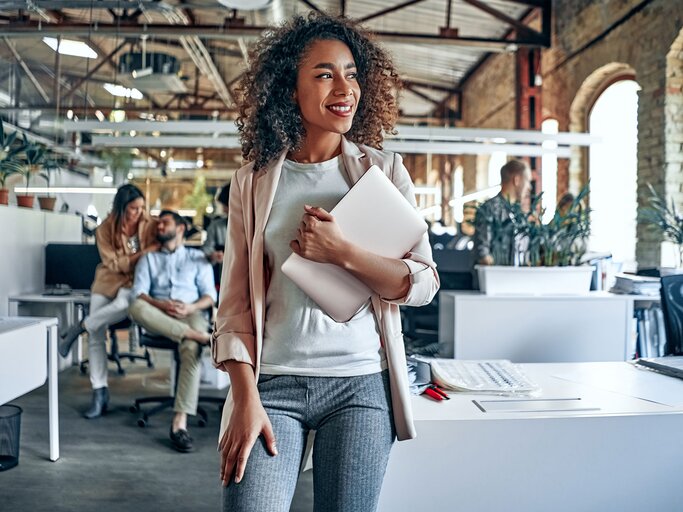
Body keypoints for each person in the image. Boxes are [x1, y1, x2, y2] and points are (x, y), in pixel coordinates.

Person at [211, 13, 439, 512]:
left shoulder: (383, 170)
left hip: (360, 385)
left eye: (352, 73)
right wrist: (244, 397)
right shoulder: (253, 182)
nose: (345, 87)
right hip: (274, 382)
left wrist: (343, 253)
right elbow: (233, 309)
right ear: (289, 89)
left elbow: (422, 283)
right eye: (324, 74)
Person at [58, 184, 159, 419]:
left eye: (142, 207)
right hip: (107, 281)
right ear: (122, 208)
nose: (139, 212)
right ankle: (99, 392)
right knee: (97, 335)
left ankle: (80, 327)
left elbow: (160, 246)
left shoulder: (149, 224)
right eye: (134, 208)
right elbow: (113, 265)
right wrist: (143, 253)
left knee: (125, 304)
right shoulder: (104, 229)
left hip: (134, 284)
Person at [127, 210, 217, 452]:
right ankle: (201, 338)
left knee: (190, 350)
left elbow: (210, 296)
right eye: (157, 223)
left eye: (164, 223)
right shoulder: (149, 259)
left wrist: (191, 306)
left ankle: (180, 423)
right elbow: (139, 293)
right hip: (159, 315)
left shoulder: (197, 258)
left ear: (180, 228)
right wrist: (161, 305)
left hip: (192, 313)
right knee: (135, 306)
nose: (158, 227)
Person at [472, 159, 532, 266]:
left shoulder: (518, 214)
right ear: (517, 180)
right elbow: (483, 254)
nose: (529, 187)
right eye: (527, 180)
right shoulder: (489, 209)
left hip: (516, 279)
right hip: (494, 280)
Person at [201, 183, 230, 288]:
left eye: (225, 206)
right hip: (221, 277)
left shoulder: (252, 226)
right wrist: (213, 255)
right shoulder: (216, 226)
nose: (223, 210)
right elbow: (206, 249)